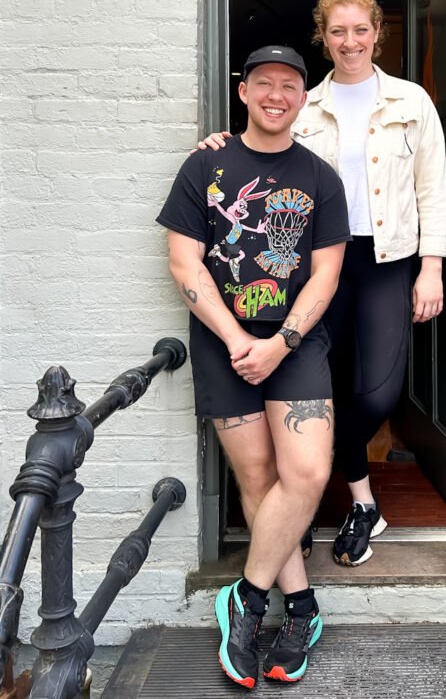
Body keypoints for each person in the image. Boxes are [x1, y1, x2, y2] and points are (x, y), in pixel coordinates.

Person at [199, 0, 446, 568]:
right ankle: (358, 503)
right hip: (315, 265)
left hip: (388, 258)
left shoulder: (411, 102)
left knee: (379, 390)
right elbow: (259, 146)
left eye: (360, 29)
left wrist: (431, 266)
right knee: (324, 386)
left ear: (376, 34)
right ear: (324, 36)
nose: (350, 40)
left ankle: (302, 489)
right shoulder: (304, 103)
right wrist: (218, 145)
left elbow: (432, 190)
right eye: (337, 30)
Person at [158, 45, 350, 688]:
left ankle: (245, 596)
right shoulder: (204, 165)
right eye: (264, 83)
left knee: (309, 472)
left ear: (303, 97)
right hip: (222, 340)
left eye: (290, 85)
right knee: (260, 474)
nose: (276, 94)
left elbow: (326, 272)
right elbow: (185, 261)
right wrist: (239, 337)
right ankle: (300, 611)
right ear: (244, 91)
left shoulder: (321, 177)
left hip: (296, 343)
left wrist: (281, 342)